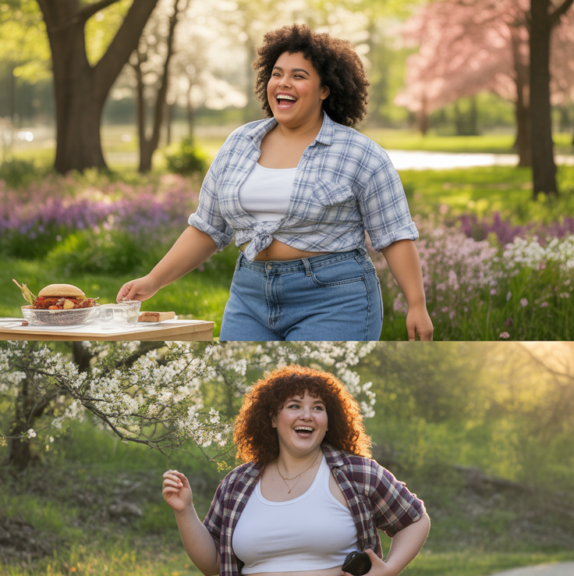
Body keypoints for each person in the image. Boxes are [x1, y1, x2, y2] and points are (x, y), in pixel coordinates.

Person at [117, 24, 432, 342]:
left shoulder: (360, 153)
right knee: (244, 376)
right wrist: (154, 280)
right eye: (277, 74)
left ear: (324, 89)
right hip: (250, 296)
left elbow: (394, 235)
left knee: (308, 376)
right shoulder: (239, 143)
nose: (284, 83)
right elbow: (207, 228)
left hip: (333, 300)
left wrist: (417, 304)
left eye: (299, 76)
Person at [161, 365, 430, 576]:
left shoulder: (357, 473)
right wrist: (185, 511)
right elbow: (211, 564)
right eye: (294, 406)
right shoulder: (237, 483)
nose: (307, 415)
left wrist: (390, 569)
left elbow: (414, 519)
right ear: (272, 418)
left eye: (318, 408)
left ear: (328, 421)